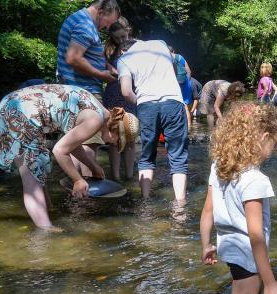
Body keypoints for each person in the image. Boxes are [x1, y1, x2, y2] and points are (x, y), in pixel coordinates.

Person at [0, 84, 122, 230]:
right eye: (118, 142)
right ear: (114, 130)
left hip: (14, 104)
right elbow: (59, 150)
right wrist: (77, 179)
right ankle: (45, 231)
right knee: (31, 176)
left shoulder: (98, 110)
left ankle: (48, 211)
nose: (113, 144)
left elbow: (71, 144)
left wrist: (93, 166)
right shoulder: (95, 120)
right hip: (20, 113)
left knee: (38, 167)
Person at [200, 102, 277, 294]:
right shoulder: (255, 180)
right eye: (274, 145)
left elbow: (207, 211)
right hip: (249, 256)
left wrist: (206, 245)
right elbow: (256, 235)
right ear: (263, 137)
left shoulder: (219, 165)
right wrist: (270, 282)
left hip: (229, 249)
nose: (272, 152)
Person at [117, 39, 188, 202]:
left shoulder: (124, 59)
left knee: (147, 155)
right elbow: (176, 71)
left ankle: (145, 201)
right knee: (178, 155)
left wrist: (141, 101)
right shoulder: (161, 44)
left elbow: (126, 91)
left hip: (146, 105)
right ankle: (180, 206)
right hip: (173, 101)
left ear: (124, 49)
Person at [56, 0, 121, 98]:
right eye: (108, 22)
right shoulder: (86, 25)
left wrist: (106, 65)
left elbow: (85, 54)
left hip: (78, 89)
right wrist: (101, 75)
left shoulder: (79, 18)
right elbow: (73, 58)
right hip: (83, 92)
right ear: (100, 12)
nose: (107, 27)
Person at [101, 18, 139, 181]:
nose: (121, 41)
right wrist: (109, 68)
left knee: (130, 136)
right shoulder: (109, 49)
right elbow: (101, 68)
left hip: (131, 94)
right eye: (117, 38)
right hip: (113, 94)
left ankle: (129, 175)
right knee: (114, 137)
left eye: (123, 37)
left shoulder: (138, 46)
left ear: (128, 30)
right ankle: (115, 176)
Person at [168, 46, 193, 129]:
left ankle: (175, 126)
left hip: (174, 83)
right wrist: (187, 82)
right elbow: (189, 71)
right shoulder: (180, 57)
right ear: (174, 51)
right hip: (184, 82)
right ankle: (189, 125)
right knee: (185, 104)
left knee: (173, 104)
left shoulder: (167, 58)